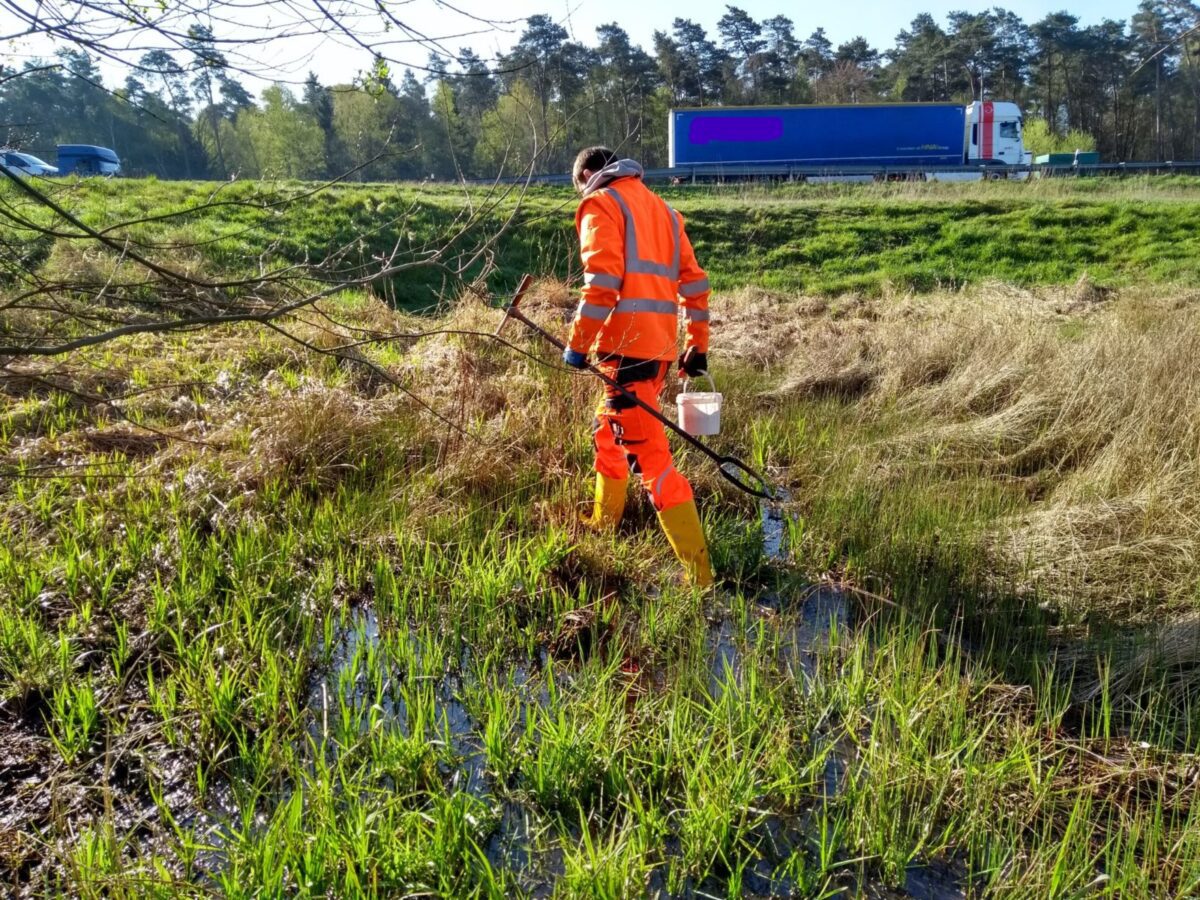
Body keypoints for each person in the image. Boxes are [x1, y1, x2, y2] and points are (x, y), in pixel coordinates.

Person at [561, 146, 714, 587]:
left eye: (578, 186)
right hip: (660, 350)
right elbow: (696, 285)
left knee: (652, 461)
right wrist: (696, 346)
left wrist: (578, 345)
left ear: (589, 173)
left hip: (624, 352)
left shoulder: (601, 203)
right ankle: (603, 521)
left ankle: (701, 579)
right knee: (607, 433)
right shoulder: (665, 212)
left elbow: (602, 285)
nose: (580, 193)